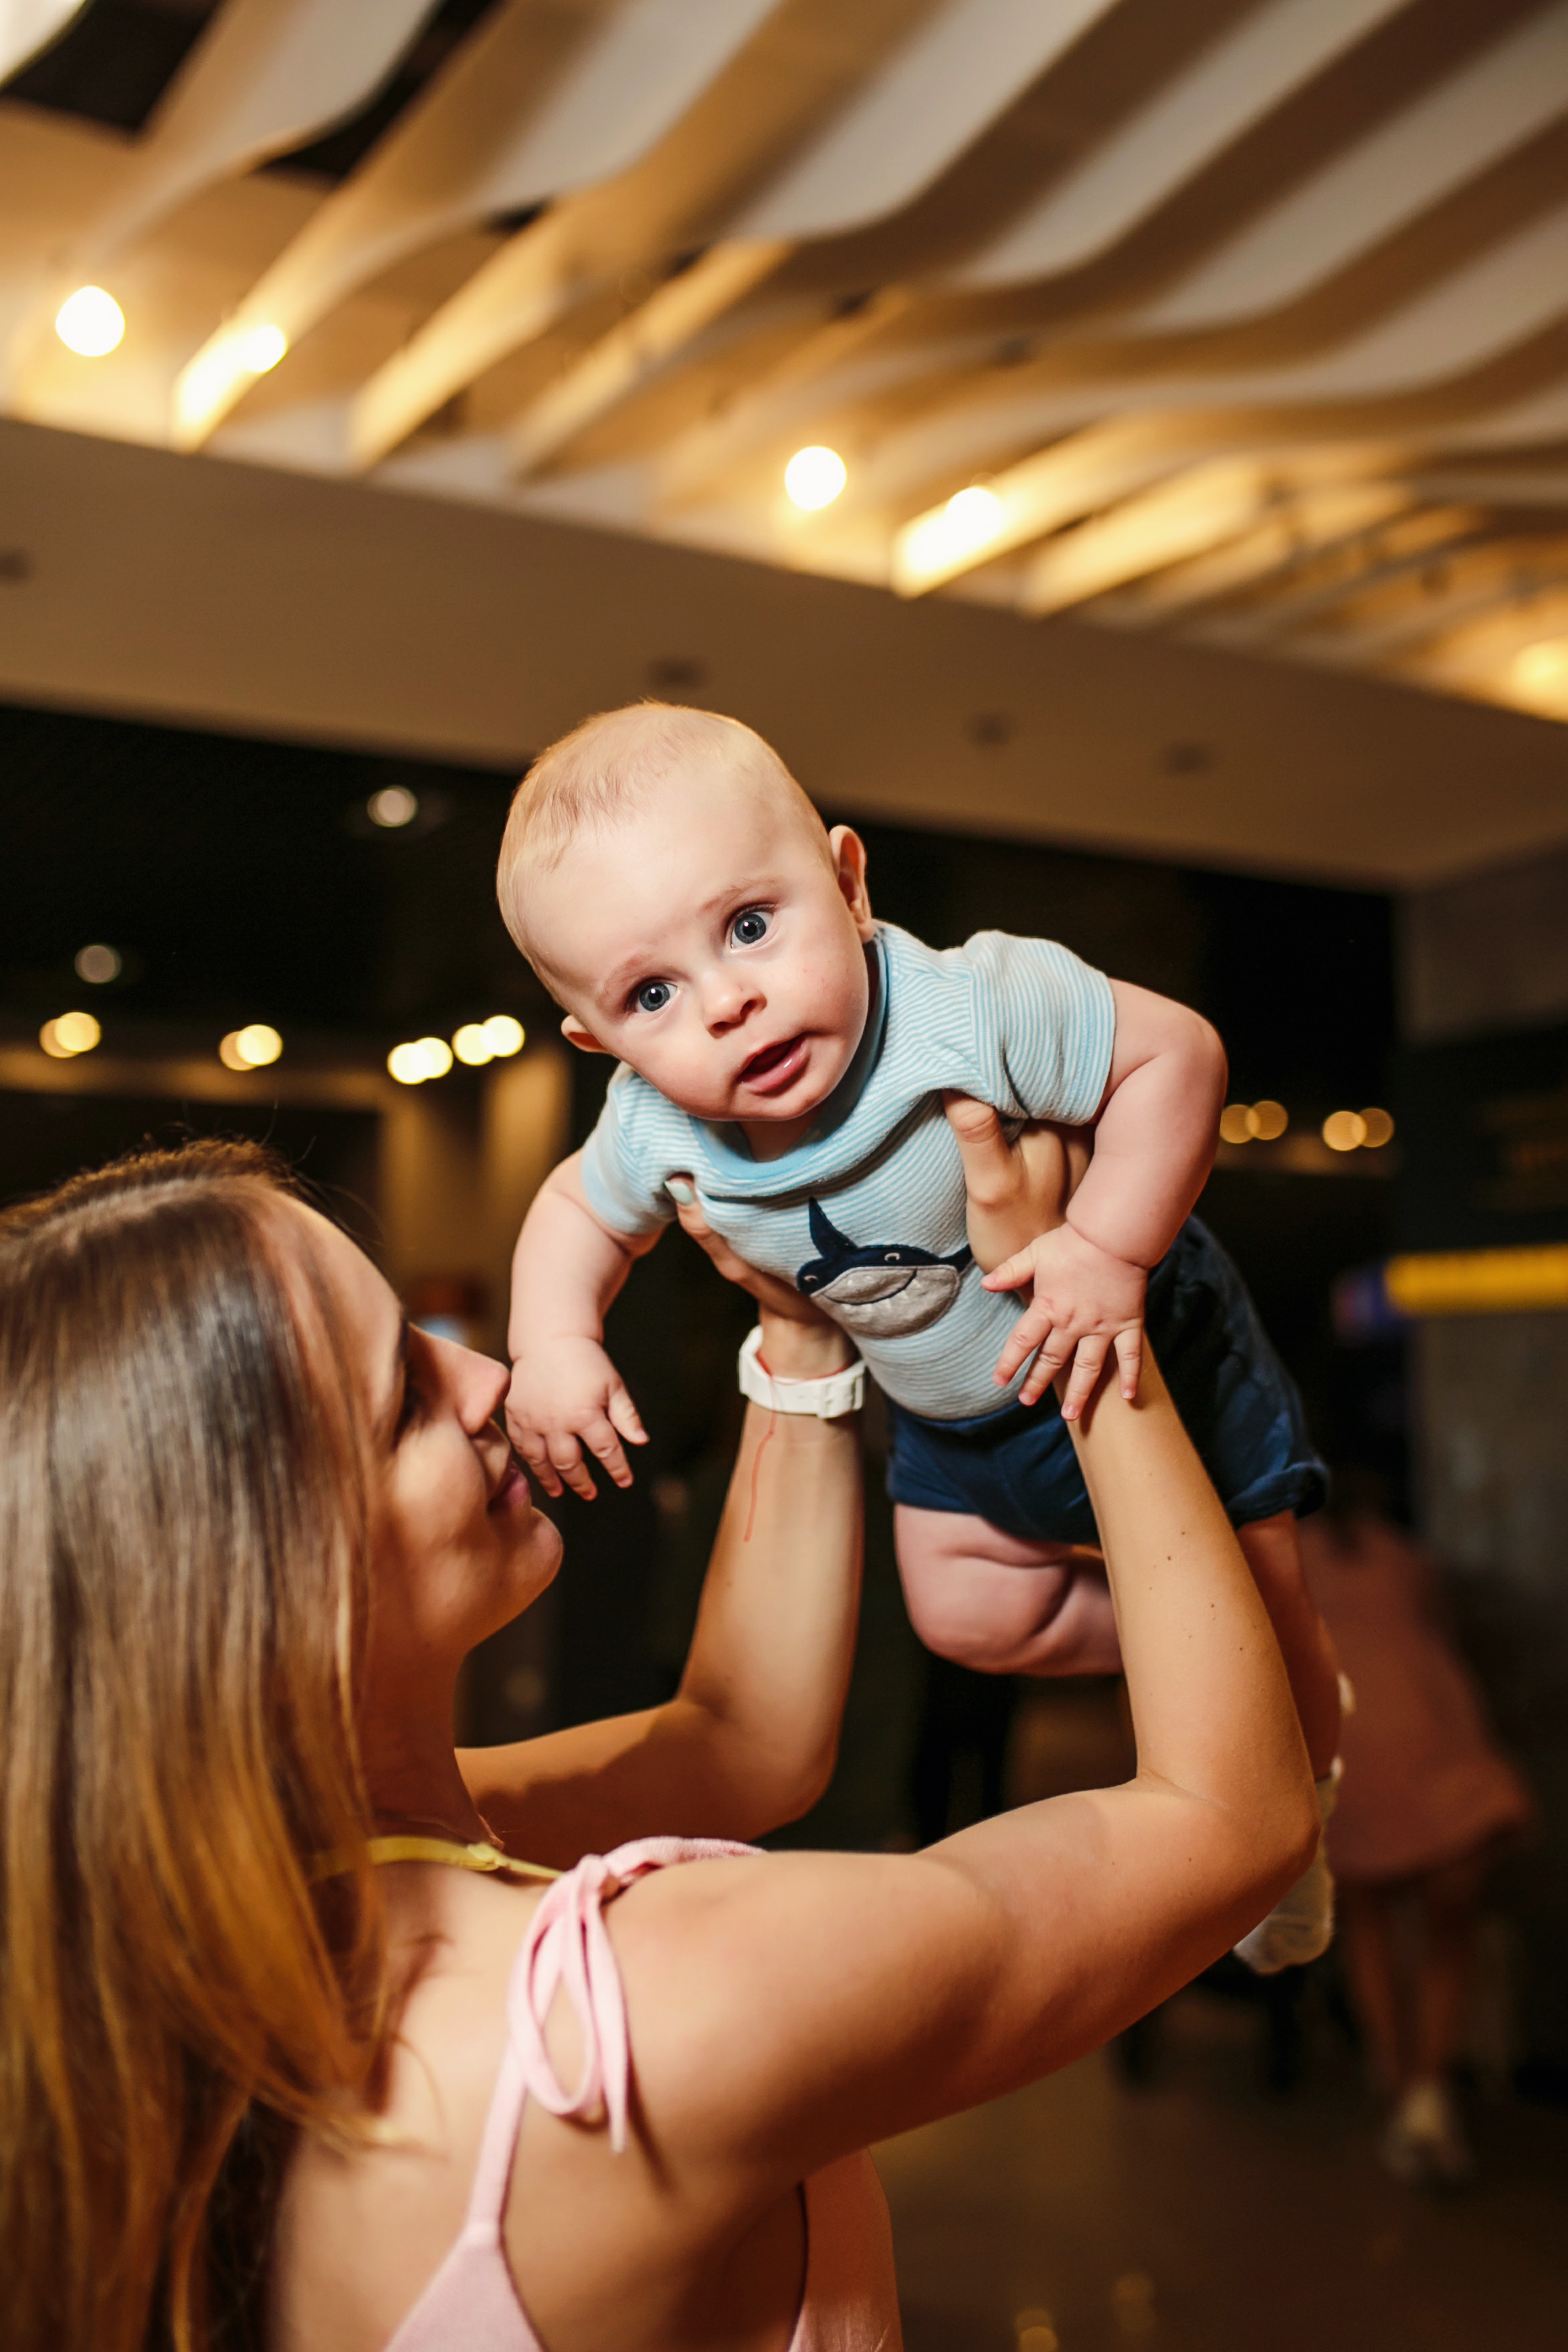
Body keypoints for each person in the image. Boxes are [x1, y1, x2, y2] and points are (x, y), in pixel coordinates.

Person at [1, 1115, 1315, 2352]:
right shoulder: (630, 2022)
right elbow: (1227, 1820)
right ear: (263, 1586)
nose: (486, 1378)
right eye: (402, 1395)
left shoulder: (230, 1910)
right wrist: (1074, 1301)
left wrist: (798, 1328)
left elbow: (740, 1743)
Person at [497, 702, 1341, 1965]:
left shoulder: (967, 1005)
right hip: (955, 1419)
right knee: (966, 1617)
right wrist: (554, 1340)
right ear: (597, 1040)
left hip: (1134, 1346)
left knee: (1269, 1598)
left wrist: (1106, 1250)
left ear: (847, 882)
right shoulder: (652, 1124)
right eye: (651, 994)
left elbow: (1176, 1056)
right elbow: (576, 1210)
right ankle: (1204, 1645)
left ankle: (1298, 1798)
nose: (728, 1002)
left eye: (749, 925)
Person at [1299, 1495, 1533, 2185]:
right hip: (1437, 1746)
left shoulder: (1284, 1554)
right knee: (1448, 1929)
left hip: (1351, 1744)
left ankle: (1403, 2091)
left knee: (1369, 1924)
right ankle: (1427, 2095)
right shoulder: (1406, 1558)